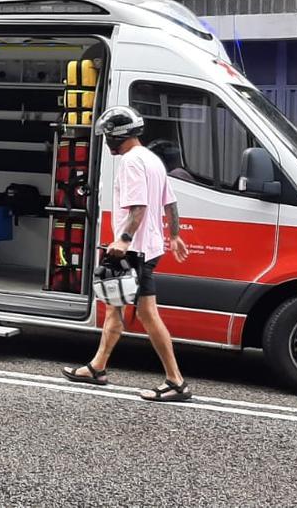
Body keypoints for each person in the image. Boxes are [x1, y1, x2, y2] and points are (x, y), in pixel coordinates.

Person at [61, 106, 193, 402]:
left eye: (107, 136)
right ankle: (97, 367)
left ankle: (176, 381)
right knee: (114, 304)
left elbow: (140, 207)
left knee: (147, 313)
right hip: (150, 246)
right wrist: (174, 235)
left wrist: (122, 239)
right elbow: (170, 203)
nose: (106, 141)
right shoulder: (152, 159)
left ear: (117, 135)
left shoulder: (132, 162)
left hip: (136, 249)